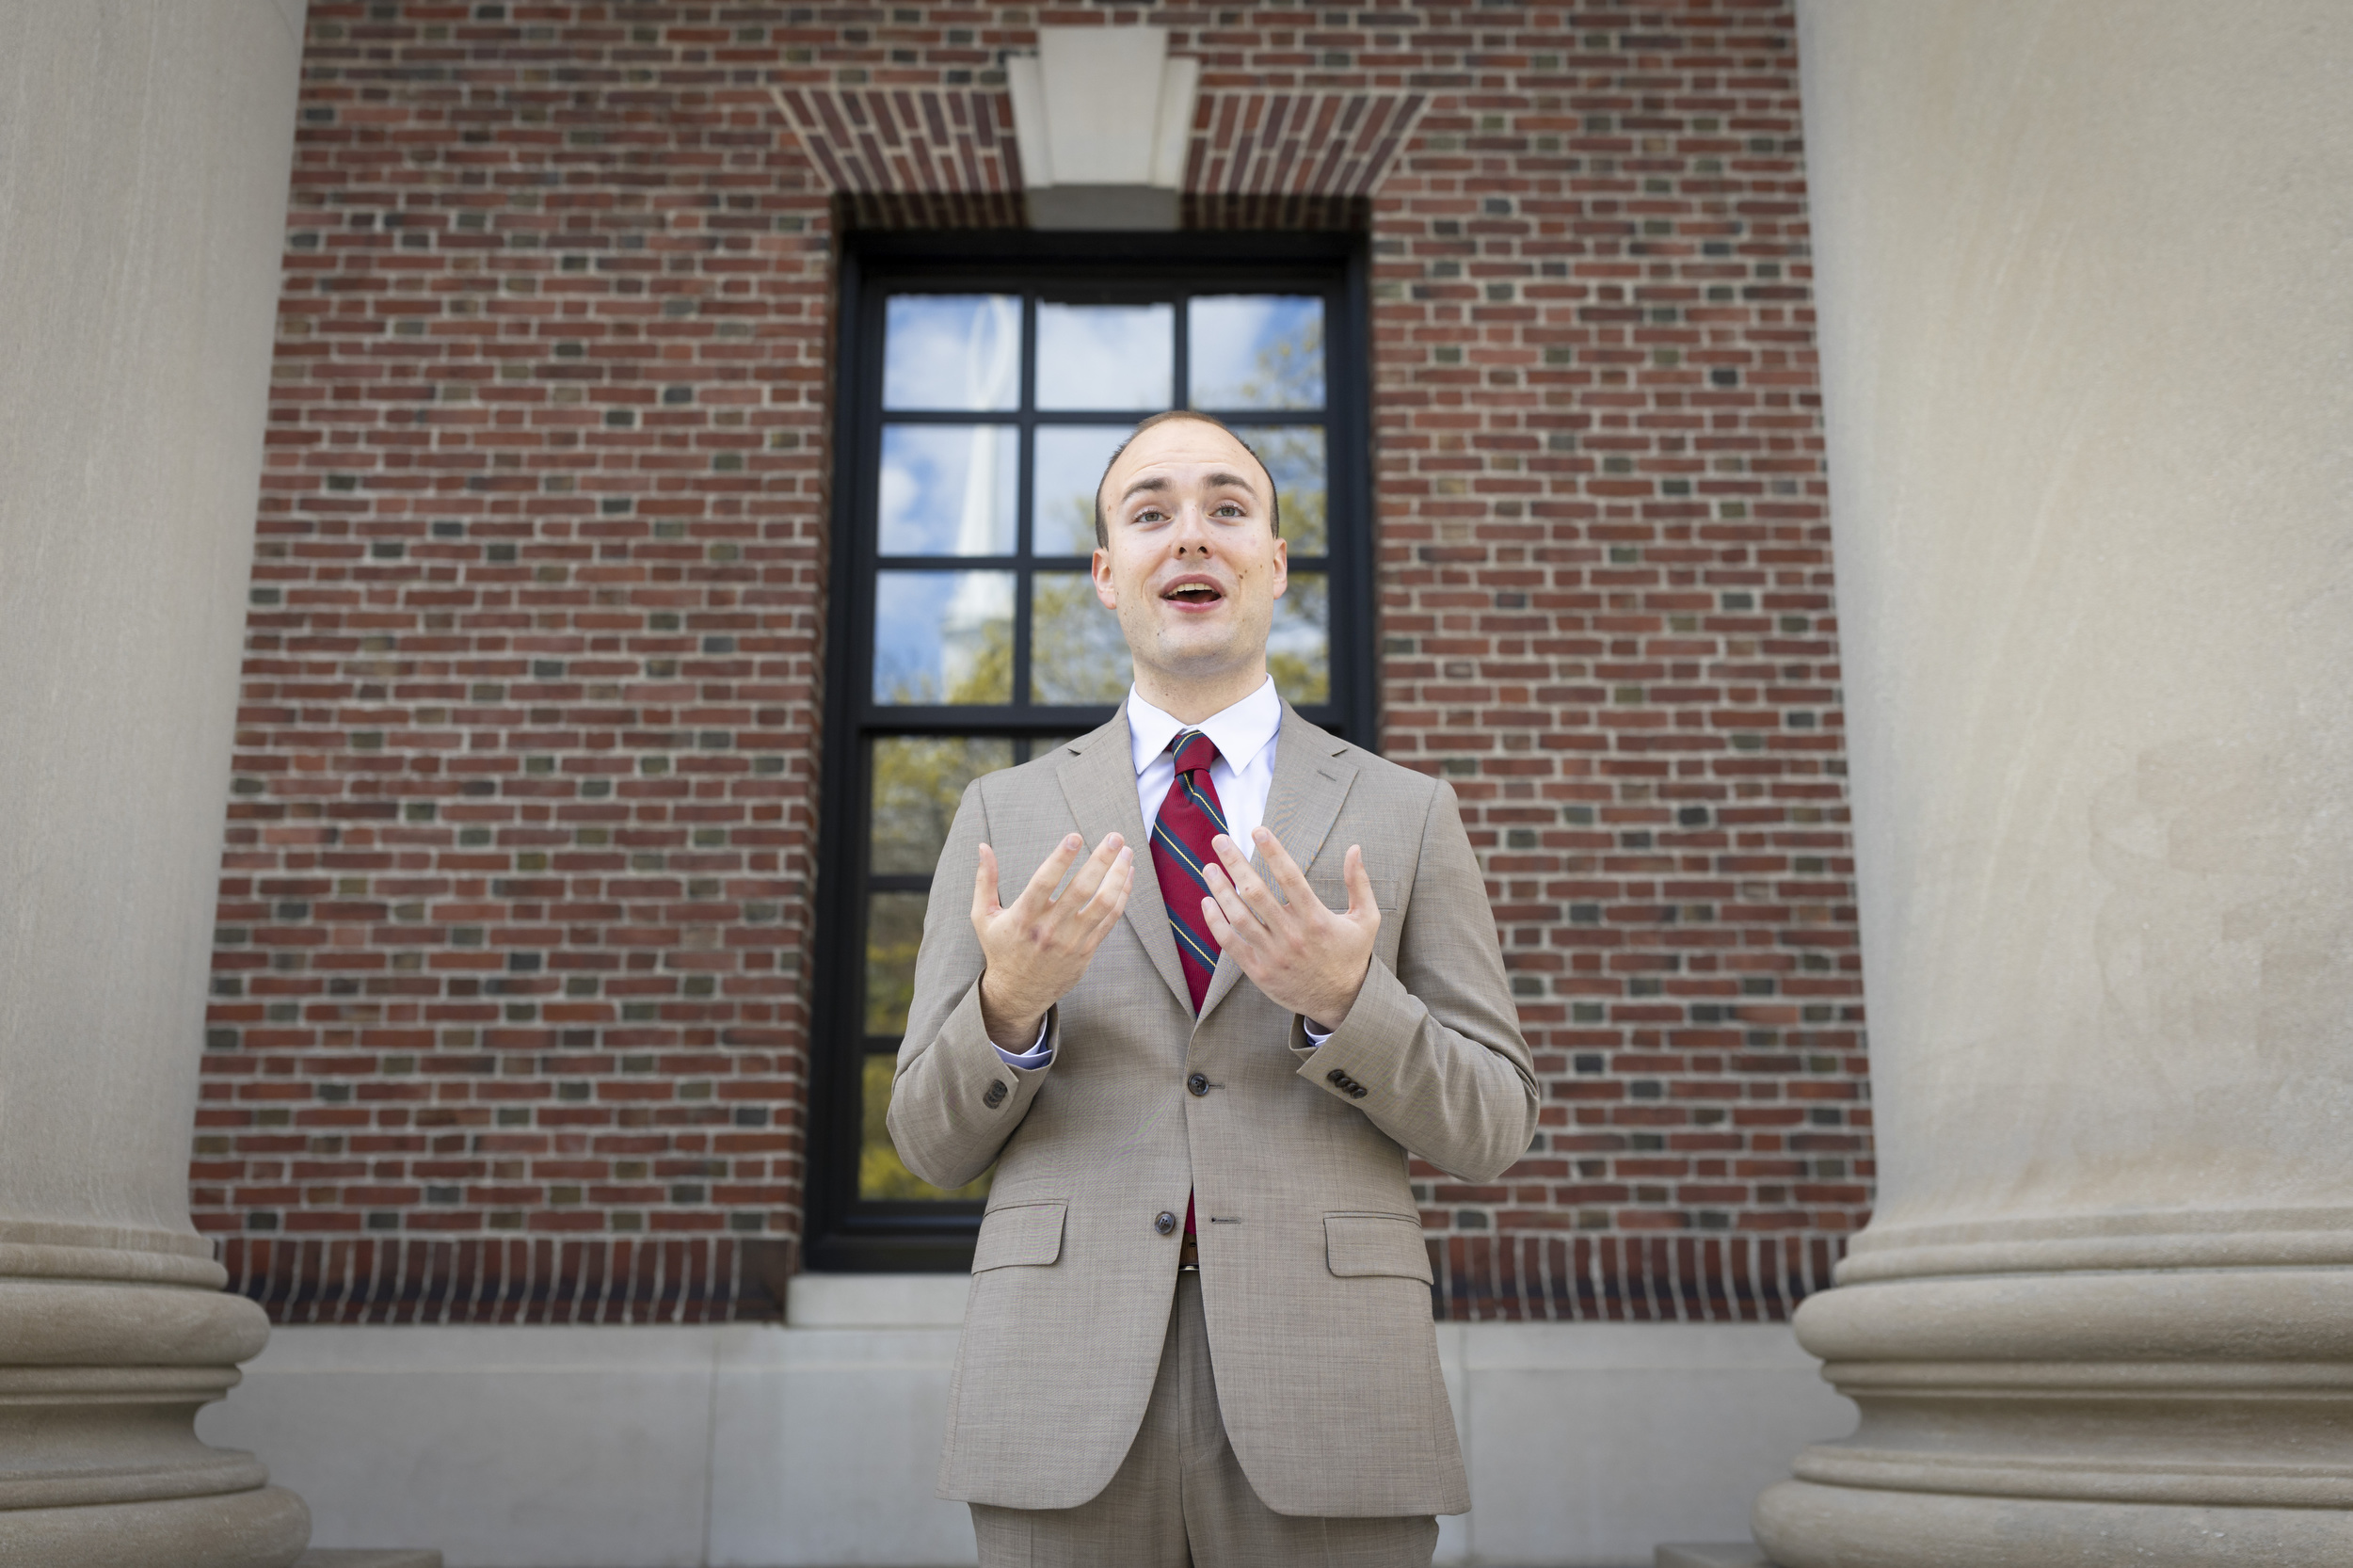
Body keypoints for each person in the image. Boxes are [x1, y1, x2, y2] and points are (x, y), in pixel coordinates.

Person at [888, 409, 1538, 1567]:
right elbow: (928, 1144)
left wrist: (1351, 1003)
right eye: (1150, 514)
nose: (1191, 536)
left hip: (1331, 1388)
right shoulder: (1003, 815)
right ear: (1105, 573)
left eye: (1228, 510)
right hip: (1061, 1389)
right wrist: (1009, 1009)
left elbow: (1493, 1124)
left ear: (1275, 565)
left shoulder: (1407, 813)